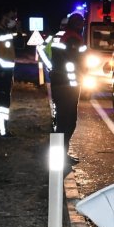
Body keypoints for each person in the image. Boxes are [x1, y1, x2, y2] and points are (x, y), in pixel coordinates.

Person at [48, 13, 87, 166]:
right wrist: (79, 79)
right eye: (82, 23)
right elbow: (76, 63)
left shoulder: (60, 36)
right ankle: (59, 158)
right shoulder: (74, 39)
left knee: (63, 121)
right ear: (77, 24)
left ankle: (60, 155)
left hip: (58, 83)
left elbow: (50, 55)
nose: (83, 26)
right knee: (68, 122)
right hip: (68, 86)